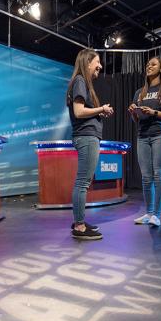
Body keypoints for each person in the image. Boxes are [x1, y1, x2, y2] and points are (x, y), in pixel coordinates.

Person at [67, 48, 114, 240]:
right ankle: (79, 225)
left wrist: (97, 112)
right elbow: (78, 112)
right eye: (97, 62)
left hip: (87, 136)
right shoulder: (79, 80)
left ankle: (79, 221)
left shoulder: (82, 83)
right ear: (87, 62)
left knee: (83, 181)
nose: (100, 66)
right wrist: (100, 108)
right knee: (82, 182)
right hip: (86, 137)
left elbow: (83, 111)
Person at [128, 56, 161, 227]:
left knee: (158, 175)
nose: (149, 66)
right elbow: (138, 120)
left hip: (160, 135)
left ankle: (156, 215)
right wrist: (133, 113)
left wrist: (154, 113)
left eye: (153, 64)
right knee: (146, 177)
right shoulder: (139, 92)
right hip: (142, 136)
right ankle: (149, 213)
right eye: (148, 64)